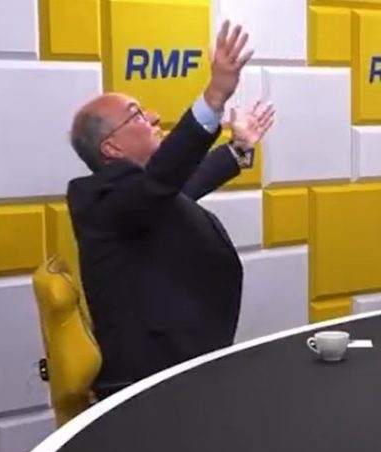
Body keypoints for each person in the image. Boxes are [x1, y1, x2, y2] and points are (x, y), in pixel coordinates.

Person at [65, 21, 276, 400]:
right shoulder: (99, 200)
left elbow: (180, 185)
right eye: (136, 115)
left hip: (184, 368)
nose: (153, 117)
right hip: (150, 386)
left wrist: (237, 149)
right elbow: (162, 181)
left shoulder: (139, 197)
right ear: (111, 148)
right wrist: (214, 96)